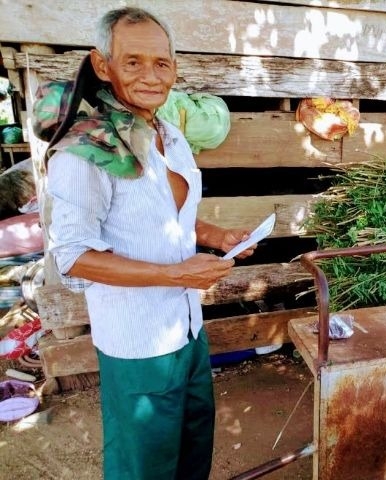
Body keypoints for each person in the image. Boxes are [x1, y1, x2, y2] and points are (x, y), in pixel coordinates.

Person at [43, 7, 254, 479]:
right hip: (138, 342)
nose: (151, 76)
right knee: (144, 463)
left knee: (193, 444)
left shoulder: (171, 135)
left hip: (187, 329)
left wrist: (217, 236)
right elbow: (74, 256)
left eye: (162, 63)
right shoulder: (87, 151)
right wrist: (176, 274)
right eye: (133, 61)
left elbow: (169, 216)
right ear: (104, 66)